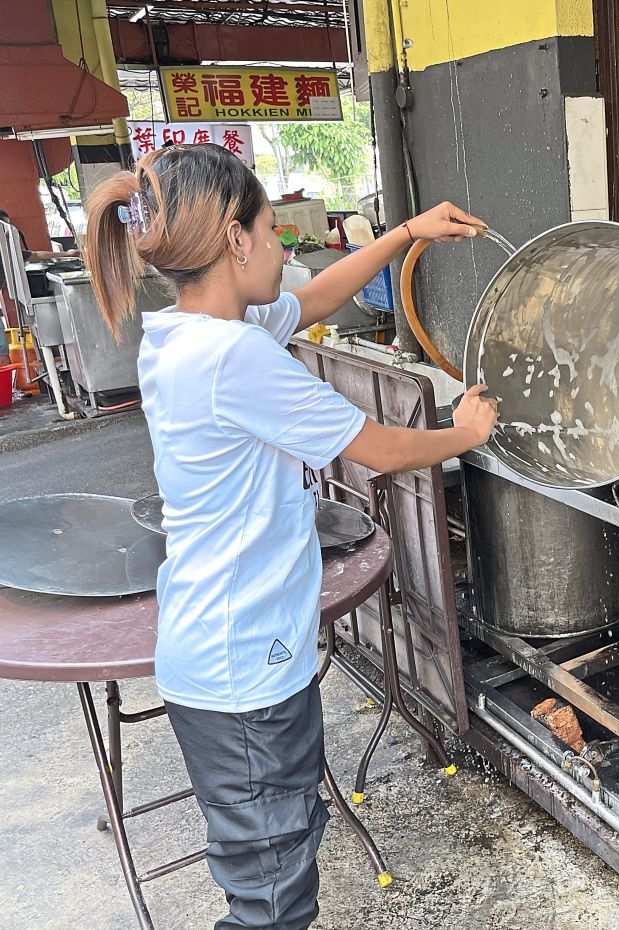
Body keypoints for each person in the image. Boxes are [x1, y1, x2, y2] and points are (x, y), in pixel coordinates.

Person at [82, 143, 497, 930]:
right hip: (242, 674)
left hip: (234, 652)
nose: (285, 250)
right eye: (275, 232)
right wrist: (465, 433)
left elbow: (311, 301)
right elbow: (378, 446)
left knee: (282, 857)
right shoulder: (232, 358)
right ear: (237, 241)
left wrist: (406, 231)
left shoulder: (185, 332)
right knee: (272, 900)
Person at [0, 208, 80, 261]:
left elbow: (36, 255)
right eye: (4, 229)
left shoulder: (7, 251)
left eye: (7, 229)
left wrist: (69, 254)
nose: (7, 233)